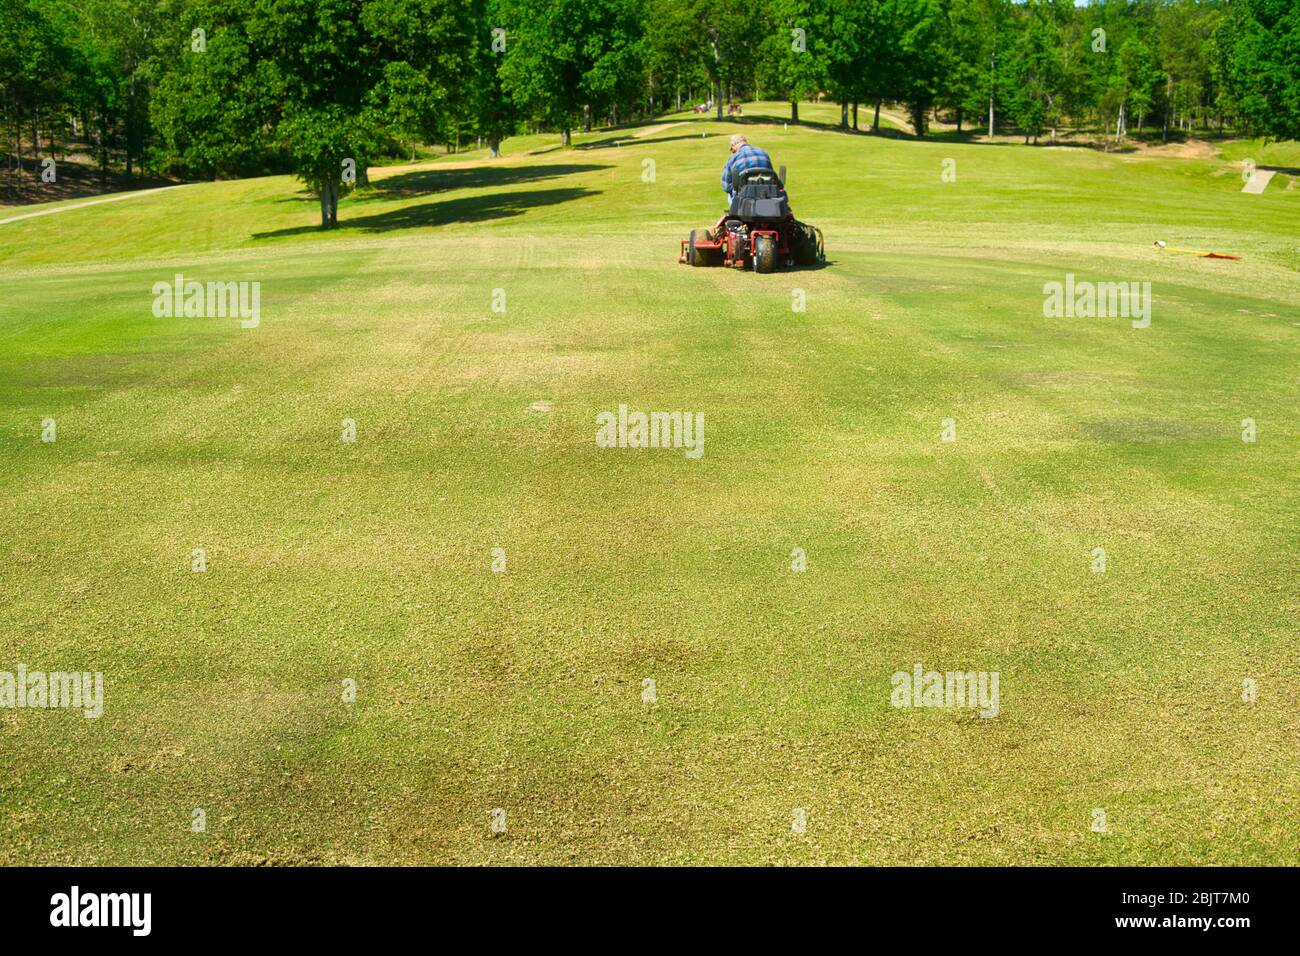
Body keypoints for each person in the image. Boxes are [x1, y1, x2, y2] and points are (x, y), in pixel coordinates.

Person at [720, 134, 774, 201]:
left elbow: (726, 186)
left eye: (732, 150)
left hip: (744, 197)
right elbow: (772, 176)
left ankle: (733, 211)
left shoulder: (734, 157)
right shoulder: (764, 153)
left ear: (734, 146)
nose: (732, 152)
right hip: (766, 193)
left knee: (730, 194)